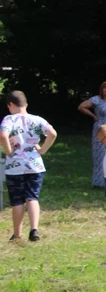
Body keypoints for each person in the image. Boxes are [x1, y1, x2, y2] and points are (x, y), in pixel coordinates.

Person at [1, 91, 57, 242]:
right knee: (32, 197)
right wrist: (43, 150)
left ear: (10, 105)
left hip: (15, 167)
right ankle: (34, 229)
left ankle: (17, 234)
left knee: (17, 200)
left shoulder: (9, 119)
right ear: (26, 104)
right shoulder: (37, 119)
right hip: (35, 165)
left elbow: (3, 135)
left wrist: (8, 151)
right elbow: (52, 133)